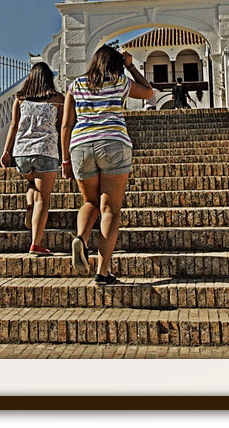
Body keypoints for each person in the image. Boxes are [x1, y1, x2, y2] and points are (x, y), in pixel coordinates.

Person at [60, 45, 154, 285]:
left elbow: (66, 126)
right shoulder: (120, 82)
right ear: (116, 64)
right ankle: (102, 272)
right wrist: (130, 65)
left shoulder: (76, 85)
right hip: (113, 142)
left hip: (80, 146)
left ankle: (80, 237)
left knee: (90, 202)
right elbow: (148, 92)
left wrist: (65, 159)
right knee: (110, 208)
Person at [0, 62, 65, 256]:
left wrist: (6, 151)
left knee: (33, 184)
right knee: (43, 200)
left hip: (22, 153)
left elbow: (13, 125)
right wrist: (65, 155)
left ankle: (30, 203)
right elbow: (62, 127)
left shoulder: (20, 99)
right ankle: (36, 243)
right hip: (46, 152)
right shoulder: (58, 99)